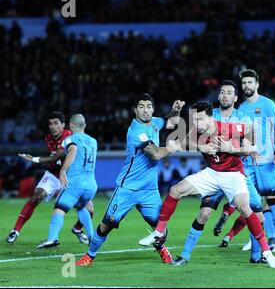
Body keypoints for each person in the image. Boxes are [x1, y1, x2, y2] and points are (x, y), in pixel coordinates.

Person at [139, 101, 275, 268]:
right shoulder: (196, 131)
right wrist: (202, 147)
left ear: (211, 118)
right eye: (194, 120)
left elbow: (250, 130)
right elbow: (183, 143)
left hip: (233, 175)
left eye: (200, 119)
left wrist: (236, 149)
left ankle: (267, 253)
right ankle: (158, 233)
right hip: (212, 174)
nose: (197, 124)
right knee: (176, 190)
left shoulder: (228, 128)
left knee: (245, 208)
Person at [75, 94, 184, 266]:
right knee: (108, 223)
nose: (145, 110)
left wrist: (175, 110)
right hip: (128, 188)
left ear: (153, 109)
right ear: (135, 110)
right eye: (141, 106)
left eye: (149, 106)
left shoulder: (156, 122)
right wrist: (174, 146)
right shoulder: (135, 131)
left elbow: (171, 122)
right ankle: (90, 255)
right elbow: (156, 154)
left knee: (160, 227)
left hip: (149, 189)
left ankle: (162, 249)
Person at [213, 69, 275, 251]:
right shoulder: (241, 109)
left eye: (249, 82)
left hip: (267, 160)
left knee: (271, 200)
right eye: (244, 83)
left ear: (257, 84)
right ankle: (255, 238)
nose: (246, 86)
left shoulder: (268, 104)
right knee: (249, 203)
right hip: (247, 163)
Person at [6, 111, 94, 245]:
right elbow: (56, 159)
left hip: (70, 177)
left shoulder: (69, 136)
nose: (53, 126)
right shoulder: (48, 138)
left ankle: (77, 229)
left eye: (56, 123)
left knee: (90, 210)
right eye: (50, 124)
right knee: (37, 196)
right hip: (53, 174)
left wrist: (33, 159)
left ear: (64, 125)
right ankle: (15, 231)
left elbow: (56, 157)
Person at [37, 114, 97, 248]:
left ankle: (52, 238)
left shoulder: (70, 139)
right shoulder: (93, 141)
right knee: (81, 207)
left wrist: (63, 170)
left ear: (71, 126)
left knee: (59, 208)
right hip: (91, 185)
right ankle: (92, 237)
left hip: (75, 183)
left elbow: (73, 151)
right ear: (85, 126)